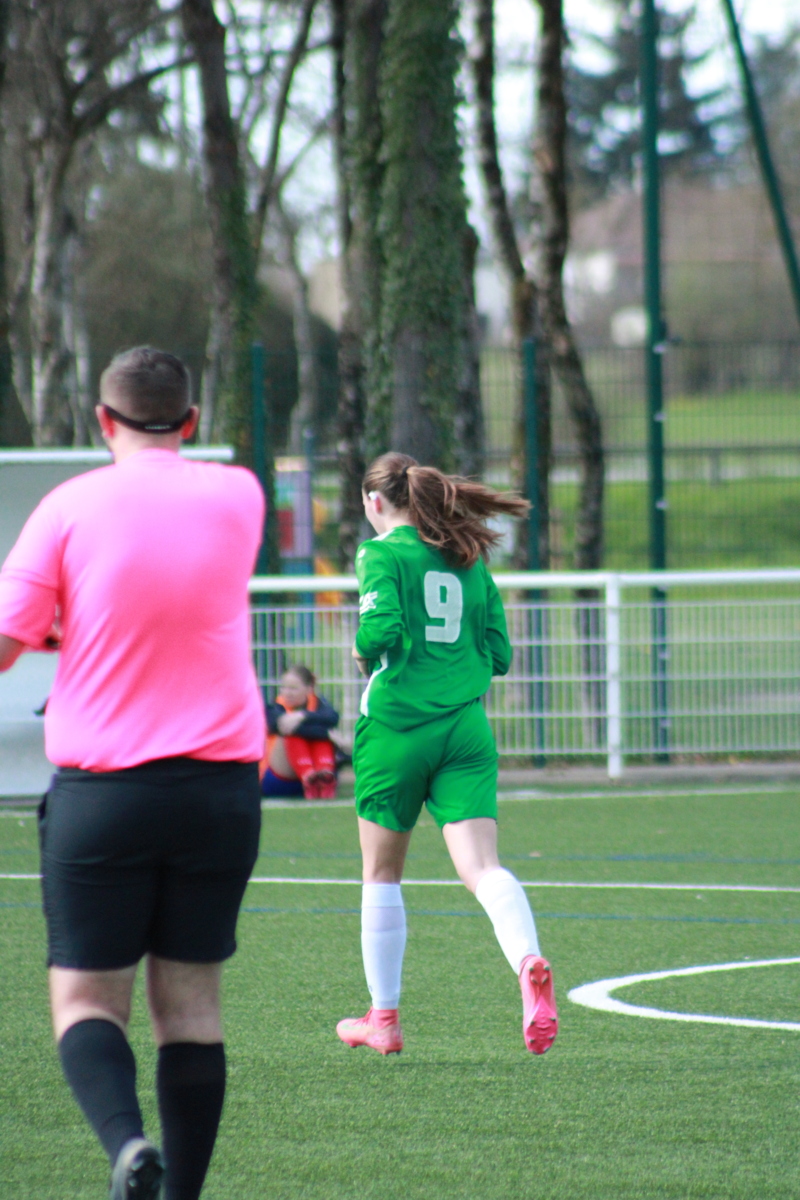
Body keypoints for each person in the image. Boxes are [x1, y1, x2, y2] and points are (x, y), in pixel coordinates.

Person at [0, 347, 266, 1200]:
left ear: (101, 421)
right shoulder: (240, 495)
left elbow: (8, 640)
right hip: (220, 792)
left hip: (104, 794)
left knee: (85, 1004)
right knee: (191, 1009)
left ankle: (128, 1146)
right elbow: (174, 590)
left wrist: (59, 626)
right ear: (190, 421)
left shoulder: (67, 507)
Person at [336, 452, 557, 1057]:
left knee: (382, 873)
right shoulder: (468, 555)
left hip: (396, 729)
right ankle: (528, 960)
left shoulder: (379, 553)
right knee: (482, 867)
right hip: (465, 727)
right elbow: (499, 652)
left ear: (375, 502)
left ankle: (384, 1018)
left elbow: (380, 630)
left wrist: (361, 650)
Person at [260, 665, 340, 799]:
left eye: (293, 688)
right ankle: (309, 777)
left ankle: (323, 778)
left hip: (302, 782)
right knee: (290, 731)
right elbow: (279, 726)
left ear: (309, 689)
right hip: (277, 780)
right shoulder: (275, 708)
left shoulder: (320, 706)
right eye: (284, 687)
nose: (287, 693)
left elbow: (333, 718)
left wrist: (302, 715)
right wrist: (326, 733)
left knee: (315, 734)